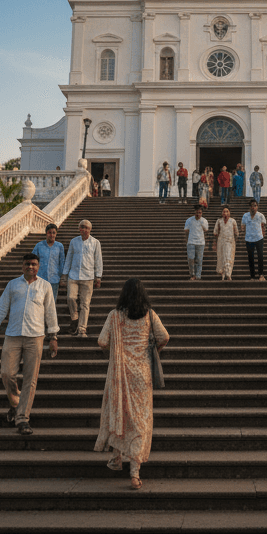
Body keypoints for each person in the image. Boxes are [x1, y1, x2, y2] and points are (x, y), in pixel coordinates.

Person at [95, 278, 170, 490]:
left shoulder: (115, 316)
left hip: (120, 372)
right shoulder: (149, 315)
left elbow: (102, 341)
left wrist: (115, 351)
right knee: (140, 421)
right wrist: (151, 352)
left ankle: (116, 456)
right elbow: (164, 337)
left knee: (120, 413)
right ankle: (135, 474)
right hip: (142, 374)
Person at [0, 252, 58, 436]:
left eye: (33, 264)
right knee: (6, 373)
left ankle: (23, 418)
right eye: (27, 264)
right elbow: (1, 307)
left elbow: (50, 312)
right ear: (22, 266)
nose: (30, 267)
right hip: (13, 334)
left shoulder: (45, 286)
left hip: (36, 336)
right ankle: (16, 403)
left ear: (38, 266)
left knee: (30, 379)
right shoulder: (13, 285)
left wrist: (53, 336)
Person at [63, 218, 103, 337]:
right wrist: (64, 275)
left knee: (85, 304)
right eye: (83, 227)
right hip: (73, 275)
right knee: (70, 298)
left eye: (87, 228)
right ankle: (75, 318)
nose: (85, 230)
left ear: (90, 230)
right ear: (79, 229)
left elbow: (98, 260)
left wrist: (98, 276)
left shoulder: (95, 242)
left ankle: (82, 328)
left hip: (88, 276)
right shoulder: (74, 242)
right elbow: (69, 257)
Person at [32, 223, 66, 297]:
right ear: (46, 233)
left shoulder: (59, 246)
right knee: (39, 301)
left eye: (54, 233)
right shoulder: (39, 246)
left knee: (52, 303)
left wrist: (62, 276)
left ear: (56, 234)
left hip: (54, 279)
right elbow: (33, 261)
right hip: (41, 278)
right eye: (49, 232)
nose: (52, 235)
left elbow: (62, 262)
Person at [240, 199, 267, 280]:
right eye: (252, 206)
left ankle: (261, 274)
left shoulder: (261, 216)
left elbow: (263, 227)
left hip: (259, 238)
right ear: (249, 207)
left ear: (257, 207)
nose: (253, 207)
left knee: (260, 256)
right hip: (249, 239)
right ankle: (252, 276)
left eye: (255, 206)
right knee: (250, 257)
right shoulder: (245, 216)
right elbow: (242, 227)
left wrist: (262, 236)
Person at [213, 205, 239, 280]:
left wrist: (234, 241)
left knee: (229, 257)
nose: (225, 213)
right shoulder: (219, 221)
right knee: (222, 257)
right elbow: (215, 232)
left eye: (227, 211)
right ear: (222, 213)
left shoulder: (233, 221)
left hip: (230, 242)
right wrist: (214, 243)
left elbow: (236, 233)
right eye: (224, 211)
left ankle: (228, 274)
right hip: (221, 242)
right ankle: (223, 274)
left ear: (229, 212)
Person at [183, 204, 209, 280]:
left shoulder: (204, 221)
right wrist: (186, 239)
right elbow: (186, 230)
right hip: (191, 242)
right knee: (191, 259)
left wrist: (201, 224)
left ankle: (198, 275)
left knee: (199, 259)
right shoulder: (189, 220)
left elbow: (206, 230)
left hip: (200, 242)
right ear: (194, 212)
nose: (198, 214)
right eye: (197, 212)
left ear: (202, 213)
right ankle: (192, 274)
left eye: (200, 213)